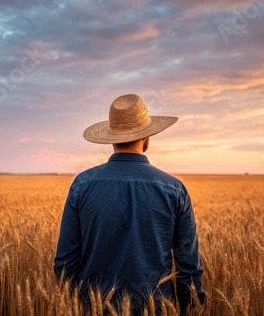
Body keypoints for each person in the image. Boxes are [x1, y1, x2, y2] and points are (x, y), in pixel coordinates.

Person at [54, 94, 205, 315]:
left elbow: (65, 262)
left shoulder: (82, 185)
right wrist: (191, 308)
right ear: (147, 137)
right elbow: (188, 266)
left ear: (111, 138)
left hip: (93, 308)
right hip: (156, 308)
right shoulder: (175, 189)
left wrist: (72, 304)